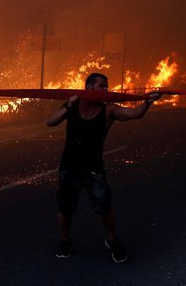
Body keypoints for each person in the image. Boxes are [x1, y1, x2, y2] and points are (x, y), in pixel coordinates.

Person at [46, 72, 161, 263]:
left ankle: (111, 239)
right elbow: (50, 122)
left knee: (105, 207)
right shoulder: (73, 105)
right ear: (89, 88)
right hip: (69, 166)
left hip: (93, 168)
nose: (106, 89)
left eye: (107, 86)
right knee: (65, 209)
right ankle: (65, 241)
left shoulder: (108, 110)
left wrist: (148, 102)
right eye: (102, 86)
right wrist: (68, 106)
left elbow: (134, 114)